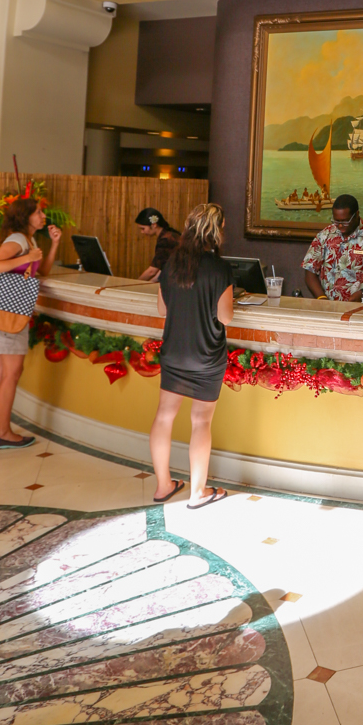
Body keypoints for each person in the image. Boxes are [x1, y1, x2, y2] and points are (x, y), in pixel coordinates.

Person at [151, 202, 232, 509]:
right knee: (200, 422)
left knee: (164, 416)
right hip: (206, 355)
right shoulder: (219, 268)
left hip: (174, 352)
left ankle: (163, 486)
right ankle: (198, 493)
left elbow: (162, 309)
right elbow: (225, 317)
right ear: (217, 231)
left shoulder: (171, 263)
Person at [0, 195, 61, 449]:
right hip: (9, 314)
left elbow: (42, 272)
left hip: (3, 312)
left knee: (1, 373)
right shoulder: (17, 240)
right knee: (11, 374)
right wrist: (26, 257)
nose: (43, 216)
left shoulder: (29, 240)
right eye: (38, 212)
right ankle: (3, 432)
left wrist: (54, 244)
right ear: (25, 217)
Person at [303, 194, 363, 303]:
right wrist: (321, 298)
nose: (340, 226)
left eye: (345, 221)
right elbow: (310, 271)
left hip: (362, 308)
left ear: (357, 215)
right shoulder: (324, 235)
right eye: (336, 221)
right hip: (329, 308)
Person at [135, 208, 181, 282]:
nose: (142, 232)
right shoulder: (169, 234)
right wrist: (148, 283)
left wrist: (135, 283)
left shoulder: (165, 240)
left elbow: (152, 271)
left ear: (154, 225)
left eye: (143, 228)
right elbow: (162, 269)